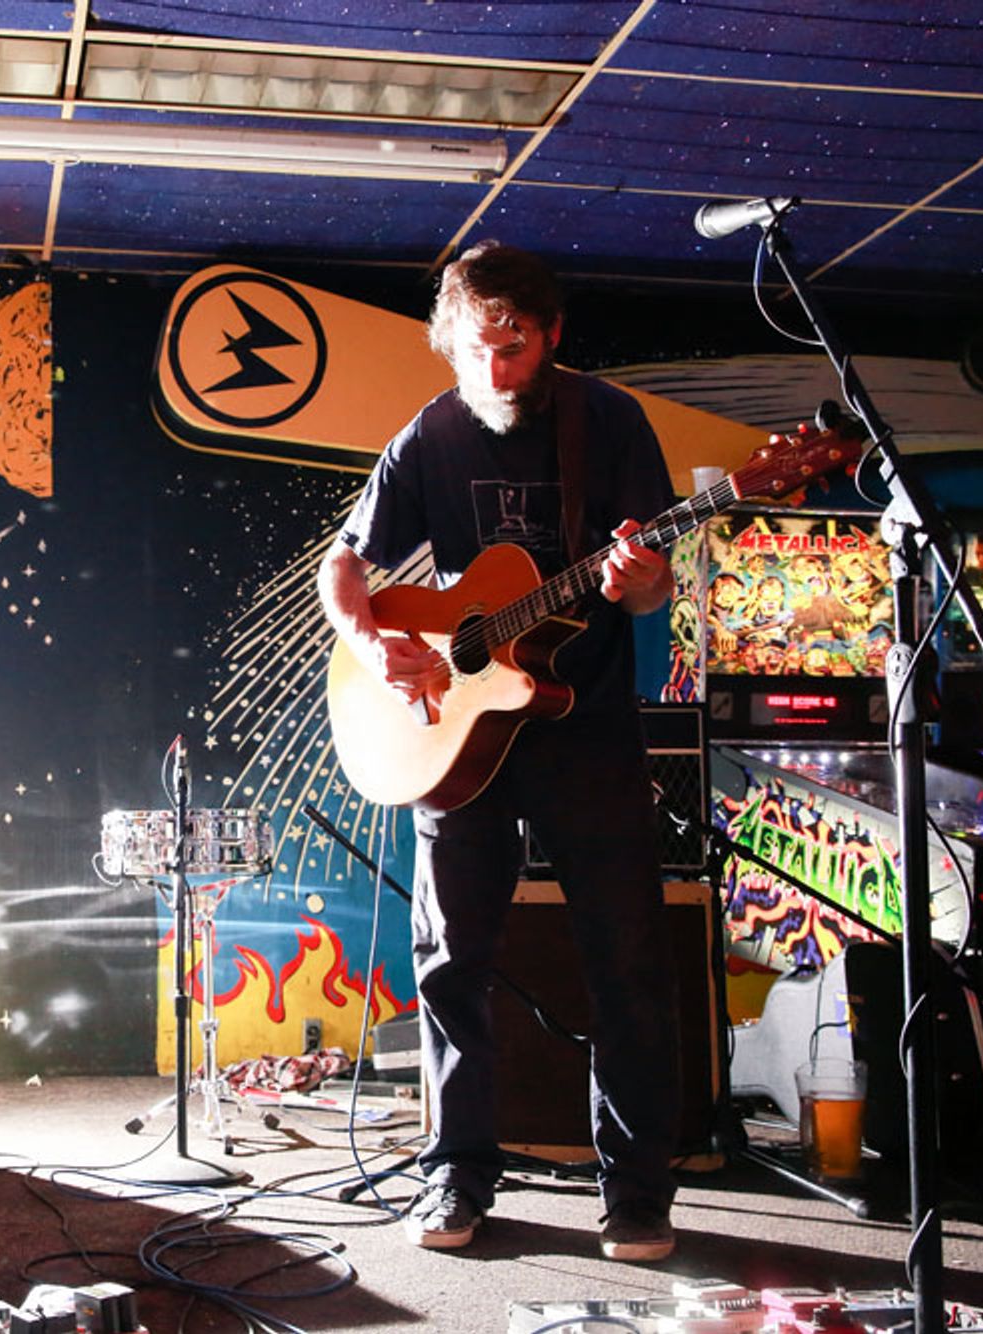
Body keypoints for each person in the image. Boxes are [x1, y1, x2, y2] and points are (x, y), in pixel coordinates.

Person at [317, 241, 680, 1262]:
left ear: (551, 334)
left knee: (627, 961)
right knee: (447, 962)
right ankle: (455, 1175)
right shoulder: (427, 434)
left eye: (513, 345)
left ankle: (638, 1191)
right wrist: (372, 640)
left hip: (584, 723)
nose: (495, 369)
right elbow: (344, 567)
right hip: (453, 736)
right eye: (475, 349)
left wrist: (633, 580)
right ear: (449, 345)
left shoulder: (607, 422)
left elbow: (648, 584)